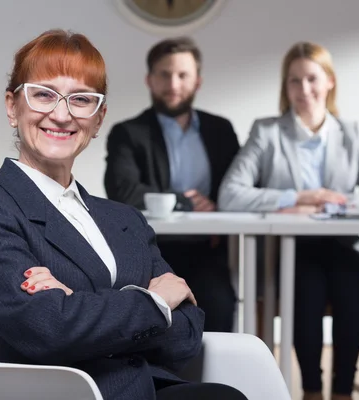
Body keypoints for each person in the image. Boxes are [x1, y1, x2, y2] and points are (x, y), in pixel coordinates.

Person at [0, 30, 247, 400]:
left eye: (81, 100)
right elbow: (49, 328)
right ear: (12, 106)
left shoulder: (124, 218)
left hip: (147, 388)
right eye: (43, 94)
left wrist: (79, 302)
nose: (61, 114)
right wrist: (153, 301)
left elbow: (187, 332)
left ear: (99, 118)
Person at [218, 42, 359, 400]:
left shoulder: (349, 132)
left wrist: (336, 203)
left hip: (343, 245)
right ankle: (311, 390)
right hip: (290, 248)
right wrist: (298, 198)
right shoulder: (267, 132)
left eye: (312, 79)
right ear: (286, 87)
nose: (304, 90)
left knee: (354, 293)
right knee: (305, 293)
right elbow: (230, 194)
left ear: (329, 81)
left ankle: (343, 391)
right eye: (294, 81)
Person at [104, 37, 239, 333]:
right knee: (155, 321)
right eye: (164, 74)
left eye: (183, 75)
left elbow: (236, 188)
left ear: (198, 81)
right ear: (149, 80)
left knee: (220, 306)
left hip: (209, 250)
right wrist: (185, 201)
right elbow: (123, 192)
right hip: (152, 251)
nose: (173, 84)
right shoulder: (127, 133)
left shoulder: (221, 130)